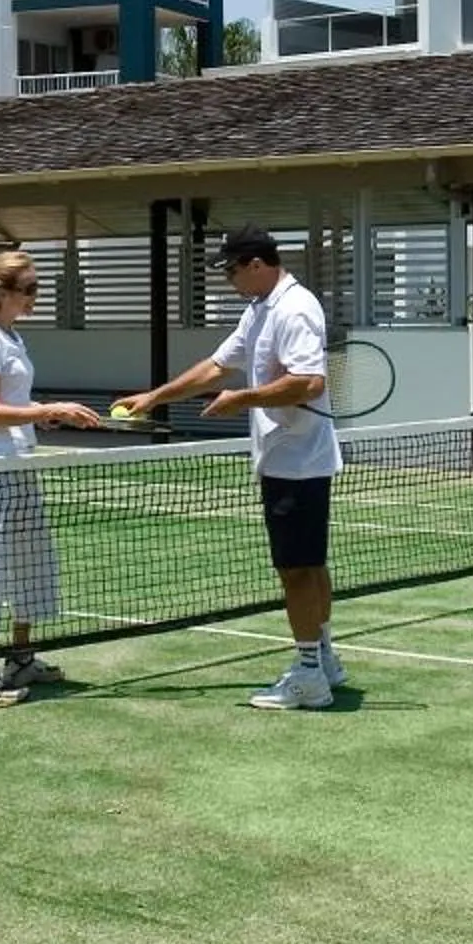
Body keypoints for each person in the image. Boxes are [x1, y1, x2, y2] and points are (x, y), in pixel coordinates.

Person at [119, 225, 344, 710]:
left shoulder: (295, 308)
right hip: (287, 458)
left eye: (232, 270)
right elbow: (217, 367)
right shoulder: (259, 309)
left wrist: (242, 398)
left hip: (298, 459)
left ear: (256, 265)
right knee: (309, 565)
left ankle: (308, 673)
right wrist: (155, 398)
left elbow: (307, 382)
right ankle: (323, 660)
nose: (229, 280)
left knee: (297, 572)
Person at [0, 248, 106, 704]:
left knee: (31, 562)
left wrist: (45, 416)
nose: (35, 296)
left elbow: (15, 406)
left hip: (21, 461)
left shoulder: (12, 337)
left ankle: (20, 660)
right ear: (2, 289)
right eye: (29, 289)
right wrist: (49, 408)